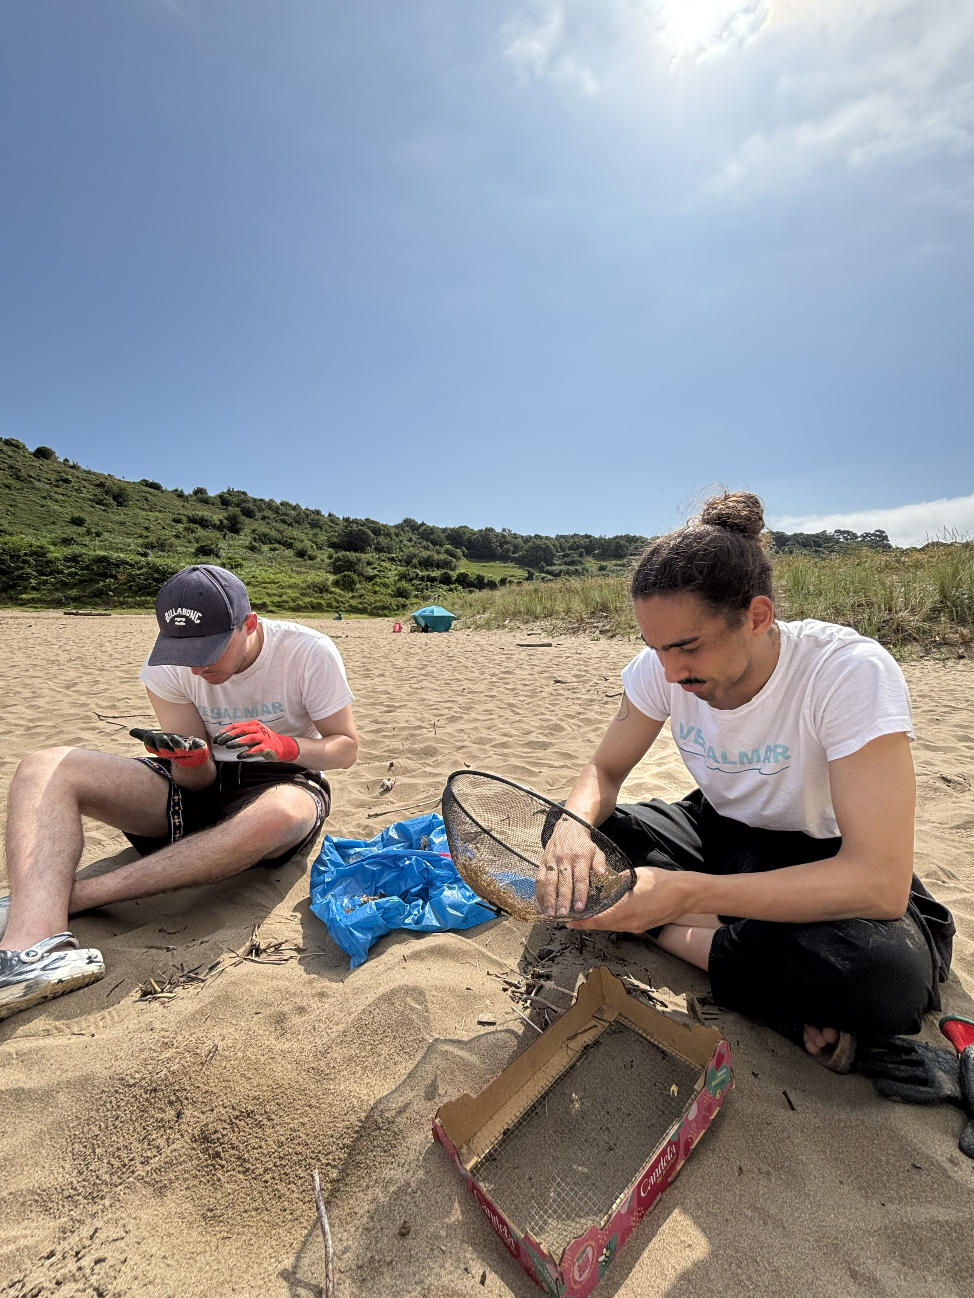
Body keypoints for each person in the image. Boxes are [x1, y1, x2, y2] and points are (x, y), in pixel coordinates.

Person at [539, 493, 954, 1071]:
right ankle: (726, 945)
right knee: (572, 839)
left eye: (686, 647)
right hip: (717, 831)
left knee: (885, 976)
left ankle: (661, 920)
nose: (670, 672)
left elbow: (880, 882)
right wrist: (572, 829)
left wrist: (685, 895)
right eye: (654, 648)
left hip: (822, 854)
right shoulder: (665, 670)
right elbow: (602, 772)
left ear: (757, 617)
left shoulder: (846, 672)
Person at [0, 564, 359, 1021]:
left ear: (249, 625)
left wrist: (286, 746)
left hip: (284, 779)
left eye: (209, 650)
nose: (197, 665)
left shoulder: (307, 651)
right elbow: (199, 786)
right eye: (184, 650)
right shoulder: (167, 668)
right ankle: (32, 945)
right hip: (200, 786)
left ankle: (72, 897)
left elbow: (345, 748)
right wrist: (191, 761)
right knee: (43, 766)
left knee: (283, 813)